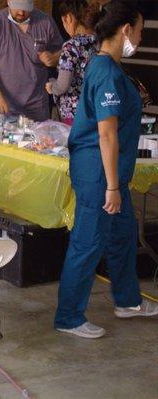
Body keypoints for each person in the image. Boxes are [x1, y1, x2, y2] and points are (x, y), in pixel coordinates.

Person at [55, 0, 157, 339]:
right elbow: (107, 133)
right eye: (140, 31)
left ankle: (127, 301)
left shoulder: (107, 67)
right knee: (88, 242)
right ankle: (69, 316)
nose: (141, 38)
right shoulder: (107, 73)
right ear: (126, 30)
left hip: (110, 173)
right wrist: (112, 187)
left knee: (124, 233)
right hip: (99, 174)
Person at [0, 0, 63, 121]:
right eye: (17, 7)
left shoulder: (45, 22)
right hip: (6, 105)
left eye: (26, 8)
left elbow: (62, 53)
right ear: (8, 2)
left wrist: (53, 58)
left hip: (37, 106)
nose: (21, 12)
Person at [45, 1, 98, 126]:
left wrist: (51, 86)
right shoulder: (97, 42)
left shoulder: (71, 47)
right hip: (94, 109)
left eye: (63, 22)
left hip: (74, 114)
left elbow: (62, 86)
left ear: (68, 18)